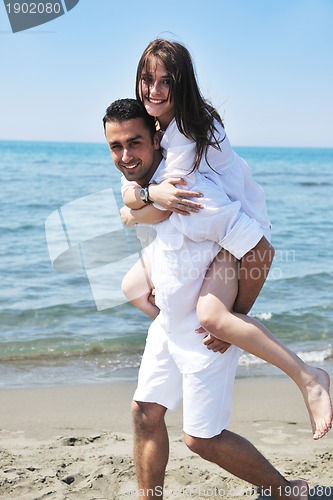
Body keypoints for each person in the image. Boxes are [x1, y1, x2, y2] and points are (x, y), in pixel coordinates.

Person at [120, 38, 332, 440]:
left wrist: (135, 207)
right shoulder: (159, 126)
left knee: (215, 318)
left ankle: (308, 377)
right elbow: (142, 190)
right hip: (214, 231)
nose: (154, 90)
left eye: (167, 81)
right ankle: (203, 334)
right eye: (148, 79)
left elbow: (166, 203)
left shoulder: (187, 126)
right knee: (133, 286)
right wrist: (139, 199)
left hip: (240, 232)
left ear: (183, 85)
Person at [103, 98, 309, 499]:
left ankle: (287, 491)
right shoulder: (142, 184)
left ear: (158, 139)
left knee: (202, 439)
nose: (125, 156)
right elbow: (136, 207)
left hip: (205, 331)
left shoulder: (192, 193)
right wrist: (141, 202)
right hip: (168, 325)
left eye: (135, 143)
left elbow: (261, 252)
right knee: (145, 413)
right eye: (115, 146)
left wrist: (232, 322)